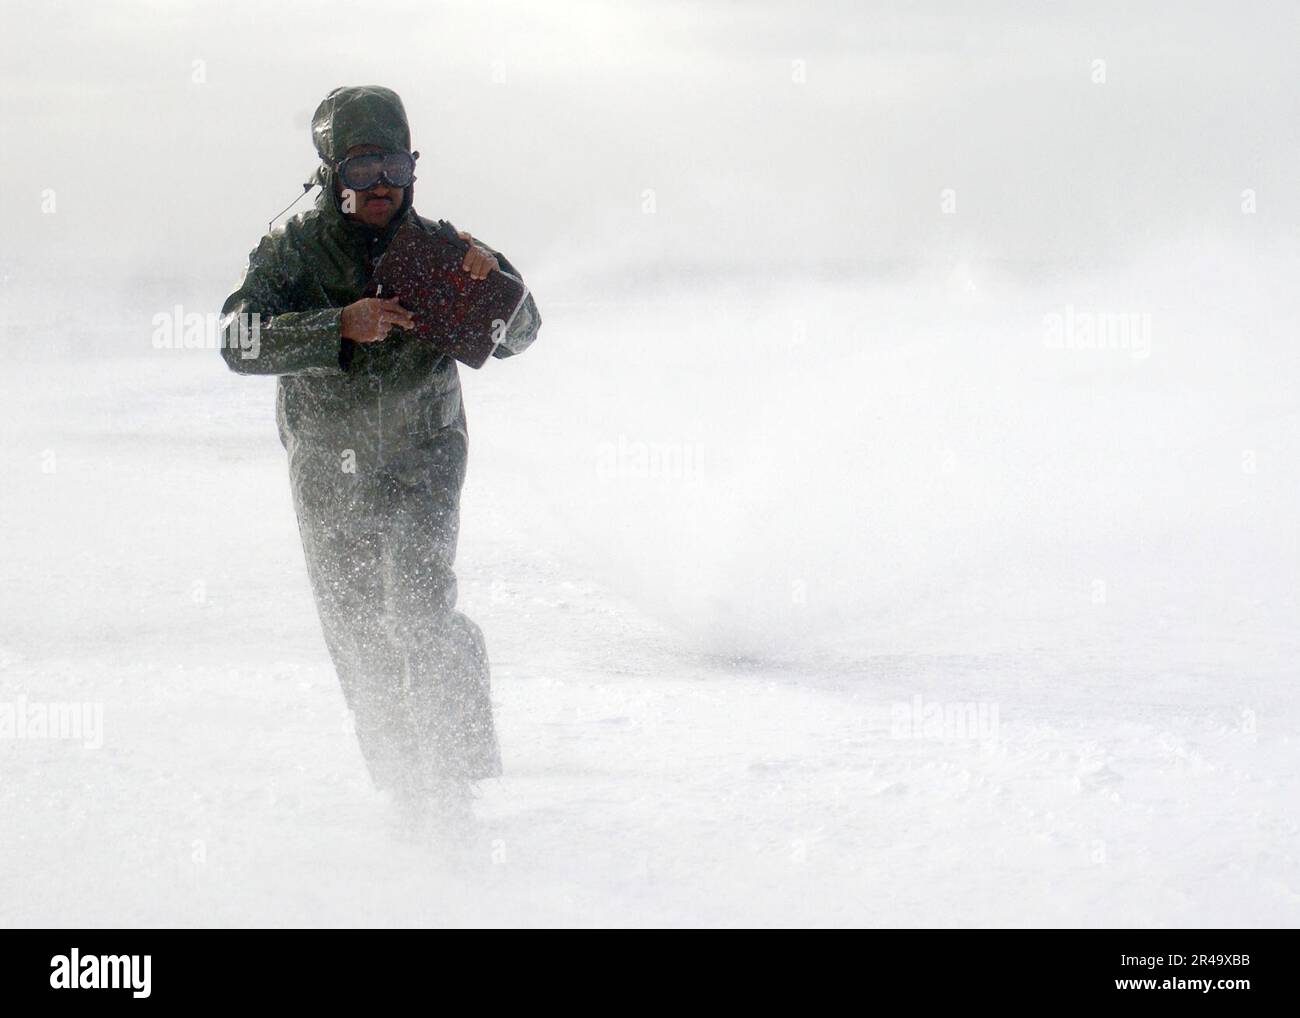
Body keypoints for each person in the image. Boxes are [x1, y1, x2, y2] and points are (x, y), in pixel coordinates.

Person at [218, 85, 541, 831]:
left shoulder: (443, 248)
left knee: (425, 610)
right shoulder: (292, 251)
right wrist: (338, 323)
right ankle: (405, 789)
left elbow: (522, 333)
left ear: (413, 168)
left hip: (423, 458)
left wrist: (496, 287)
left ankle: (453, 786)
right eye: (363, 169)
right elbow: (238, 340)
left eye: (393, 165)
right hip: (329, 467)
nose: (381, 185)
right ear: (333, 175)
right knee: (359, 630)